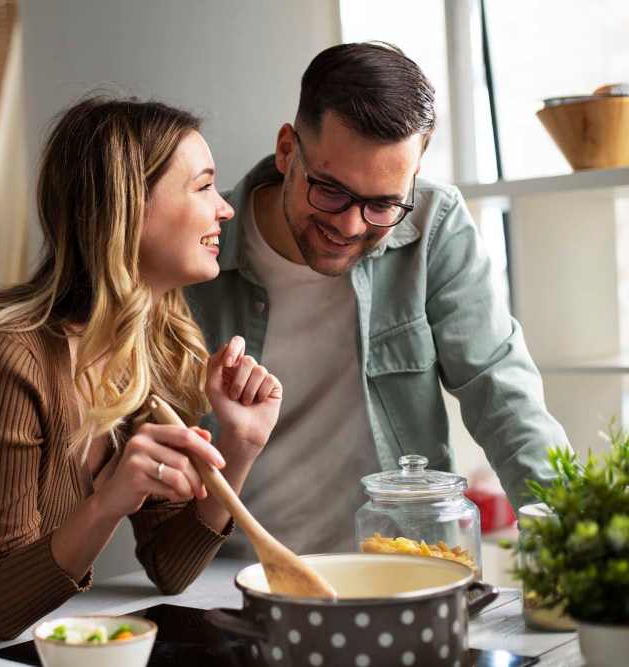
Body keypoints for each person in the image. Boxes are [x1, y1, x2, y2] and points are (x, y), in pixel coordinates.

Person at [0, 95, 284, 647]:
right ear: (128, 208)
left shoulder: (154, 346)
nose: (224, 208)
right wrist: (108, 501)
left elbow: (171, 568)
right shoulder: (5, 357)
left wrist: (242, 445)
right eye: (203, 186)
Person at [185, 42, 567, 560]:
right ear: (286, 150)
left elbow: (501, 390)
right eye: (331, 191)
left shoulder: (433, 222)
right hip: (235, 578)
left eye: (383, 203)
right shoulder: (197, 246)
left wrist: (569, 543)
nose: (349, 226)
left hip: (404, 566)